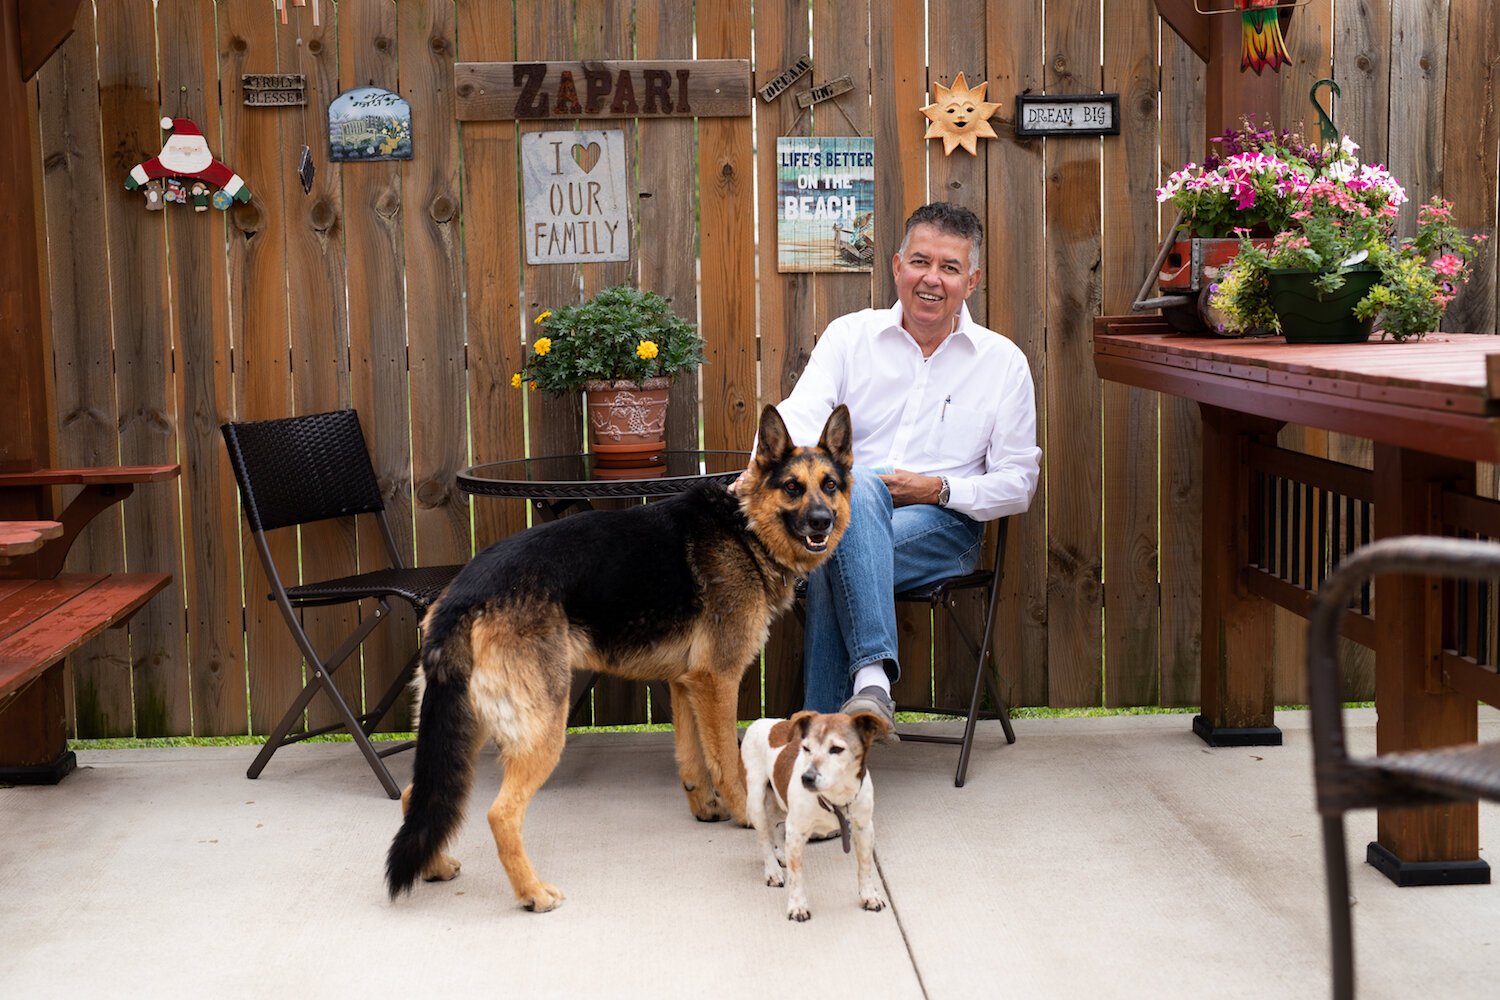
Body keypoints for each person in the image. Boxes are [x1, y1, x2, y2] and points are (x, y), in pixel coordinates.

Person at [771, 202, 1041, 729]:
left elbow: (1018, 484)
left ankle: (818, 744)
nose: (931, 280)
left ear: (972, 280)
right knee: (854, 506)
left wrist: (937, 489)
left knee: (841, 523)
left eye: (949, 267)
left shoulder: (1002, 362)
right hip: (843, 521)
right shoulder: (850, 337)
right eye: (920, 262)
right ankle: (868, 688)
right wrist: (763, 465)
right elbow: (800, 413)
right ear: (896, 267)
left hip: (944, 528)